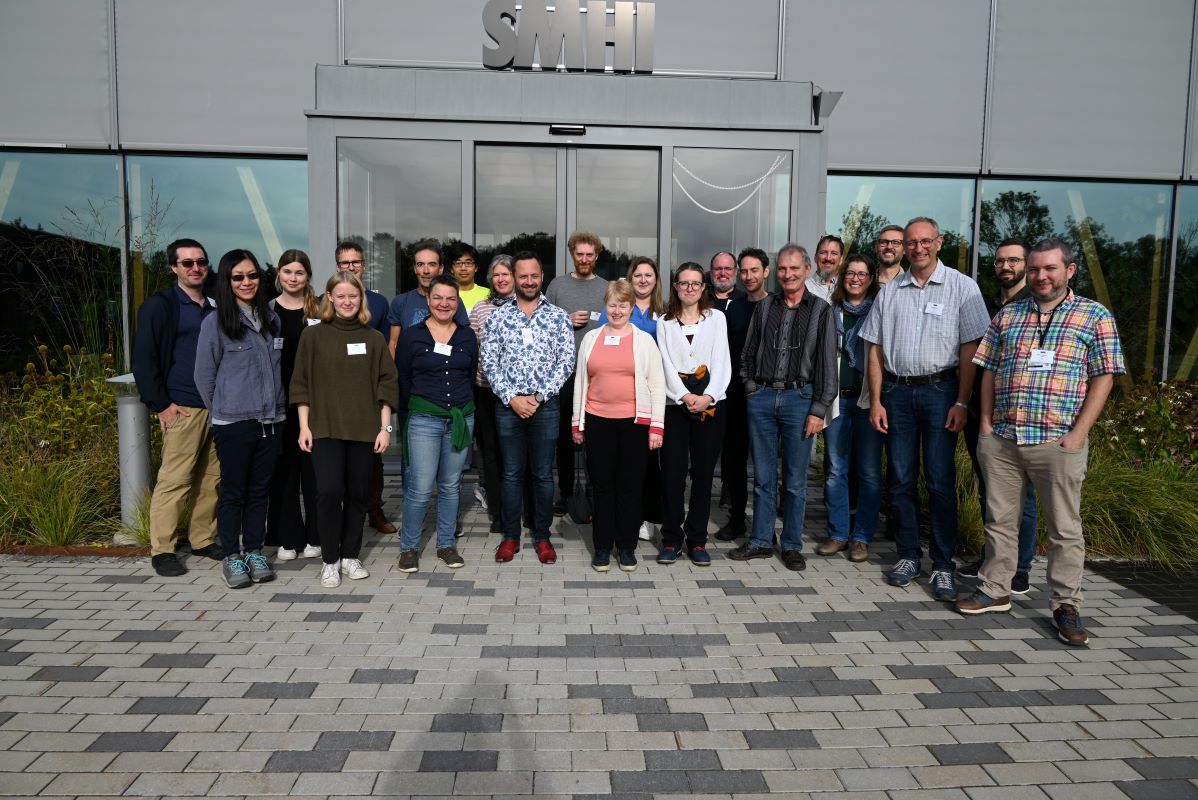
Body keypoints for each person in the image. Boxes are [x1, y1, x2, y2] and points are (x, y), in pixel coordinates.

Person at [957, 238, 1124, 648]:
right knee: (1000, 520)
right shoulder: (1009, 315)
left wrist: (1079, 433)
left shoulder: (1093, 316)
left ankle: (1066, 605)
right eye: (1034, 269)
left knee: (1065, 530)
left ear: (1070, 270)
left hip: (1058, 441)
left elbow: (1105, 376)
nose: (1040, 276)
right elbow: (989, 370)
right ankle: (995, 589)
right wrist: (985, 425)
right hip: (1005, 440)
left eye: (1049, 268)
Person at [860, 216, 990, 601]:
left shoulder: (962, 288)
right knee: (900, 479)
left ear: (939, 242)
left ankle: (944, 564)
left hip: (941, 393)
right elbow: (874, 348)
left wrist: (963, 401)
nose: (917, 248)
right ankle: (907, 555)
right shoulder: (890, 291)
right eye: (910, 242)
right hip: (898, 394)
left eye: (924, 241)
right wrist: (877, 400)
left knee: (939, 481)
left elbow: (971, 350)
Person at [730, 244, 837, 571]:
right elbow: (747, 354)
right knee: (762, 477)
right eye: (782, 269)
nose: (787, 275)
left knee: (794, 481)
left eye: (794, 268)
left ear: (807, 270)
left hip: (799, 400)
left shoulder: (821, 310)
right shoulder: (764, 307)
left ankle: (791, 544)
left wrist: (819, 409)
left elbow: (827, 367)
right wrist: (750, 388)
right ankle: (762, 540)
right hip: (761, 398)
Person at [291, 270, 399, 588]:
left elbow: (387, 385)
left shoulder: (373, 338)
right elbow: (301, 384)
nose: (347, 301)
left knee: (357, 494)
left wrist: (385, 429)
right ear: (330, 298)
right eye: (341, 296)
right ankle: (329, 560)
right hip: (323, 428)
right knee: (328, 492)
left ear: (360, 299)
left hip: (365, 430)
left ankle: (351, 555)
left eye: (353, 295)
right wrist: (303, 427)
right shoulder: (313, 336)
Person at [193, 249, 286, 588]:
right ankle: (232, 556)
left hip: (271, 420)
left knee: (260, 490)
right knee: (233, 491)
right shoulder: (215, 323)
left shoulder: (270, 319)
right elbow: (204, 377)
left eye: (251, 275)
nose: (246, 282)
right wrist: (225, 407)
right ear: (227, 282)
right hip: (234, 423)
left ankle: (255, 551)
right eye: (238, 277)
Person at [132, 238, 222, 577]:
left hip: (216, 407)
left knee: (211, 478)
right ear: (174, 268)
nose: (196, 268)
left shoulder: (213, 308)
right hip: (182, 406)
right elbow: (144, 359)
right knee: (176, 480)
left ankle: (202, 538)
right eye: (187, 263)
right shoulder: (161, 306)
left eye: (200, 262)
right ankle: (163, 549)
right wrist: (161, 405)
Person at [482, 252, 575, 564]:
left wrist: (539, 396)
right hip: (508, 406)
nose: (529, 281)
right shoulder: (496, 318)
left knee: (543, 476)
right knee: (510, 474)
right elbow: (489, 364)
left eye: (534, 275)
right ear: (515, 277)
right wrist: (512, 397)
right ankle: (510, 537)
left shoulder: (558, 317)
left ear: (541, 276)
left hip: (545, 406)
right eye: (523, 276)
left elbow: (566, 361)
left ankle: (543, 536)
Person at [959, 237, 1040, 593]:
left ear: (1026, 264)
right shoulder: (987, 305)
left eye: (1013, 261)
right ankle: (993, 557)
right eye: (1000, 261)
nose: (1005, 267)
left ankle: (1020, 567)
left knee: (1024, 495)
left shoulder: (1036, 306)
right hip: (981, 412)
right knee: (989, 490)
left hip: (1020, 415)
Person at [571, 279, 666, 572]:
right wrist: (578, 422)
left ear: (630, 307)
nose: (617, 311)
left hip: (635, 423)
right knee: (601, 486)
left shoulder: (643, 340)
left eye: (623, 305)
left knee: (629, 486)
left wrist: (657, 427)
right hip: (598, 421)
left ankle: (626, 547)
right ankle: (602, 547)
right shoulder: (591, 339)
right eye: (612, 305)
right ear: (606, 305)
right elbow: (580, 383)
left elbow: (656, 384)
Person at [396, 275, 479, 572]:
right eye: (439, 298)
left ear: (457, 303)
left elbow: (469, 374)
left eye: (450, 298)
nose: (444, 303)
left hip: (460, 418)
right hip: (424, 420)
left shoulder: (467, 335)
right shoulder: (411, 335)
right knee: (419, 487)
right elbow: (403, 377)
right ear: (429, 301)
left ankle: (446, 545)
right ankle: (409, 548)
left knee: (450, 485)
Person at [655, 264, 730, 566]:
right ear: (675, 287)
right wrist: (685, 396)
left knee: (702, 475)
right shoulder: (664, 322)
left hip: (710, 406)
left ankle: (697, 539)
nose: (689, 288)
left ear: (703, 288)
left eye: (695, 283)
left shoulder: (716, 319)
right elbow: (665, 364)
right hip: (676, 406)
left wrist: (707, 396)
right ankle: (672, 538)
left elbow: (722, 361)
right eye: (683, 283)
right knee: (672, 476)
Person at [815, 253, 884, 563]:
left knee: (868, 473)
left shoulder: (880, 314)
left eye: (862, 274)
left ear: (871, 279)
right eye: (850, 274)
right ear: (842, 279)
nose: (855, 278)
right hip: (837, 401)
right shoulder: (830, 314)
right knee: (835, 471)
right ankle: (838, 534)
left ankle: (861, 537)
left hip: (868, 401)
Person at [598, 256, 665, 541]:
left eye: (648, 275)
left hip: (655, 396)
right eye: (637, 275)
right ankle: (624, 516)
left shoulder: (665, 312)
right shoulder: (617, 308)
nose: (642, 280)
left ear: (655, 279)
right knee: (623, 468)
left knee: (650, 465)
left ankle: (648, 517)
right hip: (622, 402)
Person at [545, 231, 609, 514]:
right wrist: (564, 321)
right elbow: (541, 325)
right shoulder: (557, 286)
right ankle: (567, 492)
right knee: (565, 435)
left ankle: (595, 490)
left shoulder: (607, 288)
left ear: (597, 256)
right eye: (579, 254)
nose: (584, 259)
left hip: (598, 372)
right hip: (564, 372)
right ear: (572, 254)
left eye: (589, 254)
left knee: (596, 435)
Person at [335, 240, 395, 534]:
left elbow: (385, 348)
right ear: (338, 267)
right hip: (336, 394)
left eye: (355, 262)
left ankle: (375, 510)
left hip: (369, 393)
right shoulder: (329, 299)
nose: (351, 267)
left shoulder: (380, 302)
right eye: (345, 263)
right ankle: (341, 515)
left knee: (373, 460)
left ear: (364, 266)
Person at [266, 249, 322, 561]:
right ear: (279, 274)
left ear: (307, 276)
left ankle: (316, 536)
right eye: (288, 272)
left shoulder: (319, 310)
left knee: (313, 472)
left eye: (299, 273)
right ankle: (289, 538)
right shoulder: (267, 311)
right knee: (284, 472)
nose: (293, 278)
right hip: (277, 403)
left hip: (313, 403)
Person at [710, 249, 758, 543]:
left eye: (729, 268)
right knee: (703, 457)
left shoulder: (748, 303)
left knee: (736, 459)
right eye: (718, 268)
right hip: (704, 391)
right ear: (711, 271)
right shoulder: (700, 299)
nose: (724, 272)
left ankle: (737, 518)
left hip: (739, 393)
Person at [469, 254, 516, 534]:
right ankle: (498, 511)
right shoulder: (480, 308)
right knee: (491, 453)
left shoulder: (528, 305)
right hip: (485, 391)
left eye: (506, 274)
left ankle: (520, 508)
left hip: (516, 394)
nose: (500, 279)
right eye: (496, 274)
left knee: (515, 454)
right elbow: (473, 348)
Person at [387, 239, 469, 355]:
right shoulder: (400, 302)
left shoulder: (453, 302)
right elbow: (393, 344)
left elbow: (464, 340)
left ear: (440, 269)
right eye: (420, 265)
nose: (426, 271)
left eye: (432, 264)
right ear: (415, 268)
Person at [447, 241, 490, 313]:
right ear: (451, 269)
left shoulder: (488, 295)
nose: (463, 268)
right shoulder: (445, 294)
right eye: (458, 263)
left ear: (476, 267)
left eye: (468, 263)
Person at [808, 234, 843, 302]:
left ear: (841, 260)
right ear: (815, 257)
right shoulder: (804, 289)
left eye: (834, 253)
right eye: (823, 252)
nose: (828, 258)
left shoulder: (846, 289)